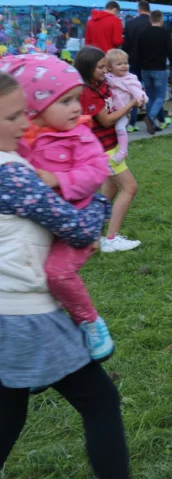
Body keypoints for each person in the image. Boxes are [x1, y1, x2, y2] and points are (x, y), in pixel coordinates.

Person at [0, 71, 130, 478]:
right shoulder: (12, 174)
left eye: (25, 112)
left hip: (10, 312)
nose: (26, 123)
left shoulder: (16, 164)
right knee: (101, 402)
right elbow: (76, 228)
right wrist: (97, 200)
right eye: (13, 117)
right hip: (28, 316)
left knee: (8, 414)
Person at [2, 54, 115, 362]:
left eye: (77, 99)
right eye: (65, 101)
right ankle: (36, 357)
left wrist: (59, 178)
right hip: (49, 224)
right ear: (35, 108)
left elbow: (97, 172)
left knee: (57, 274)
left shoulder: (80, 135)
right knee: (35, 281)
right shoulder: (21, 139)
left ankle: (90, 322)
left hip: (76, 219)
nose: (77, 108)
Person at [76, 47, 141, 253]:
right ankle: (111, 239)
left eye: (106, 66)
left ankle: (94, 235)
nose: (106, 71)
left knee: (110, 189)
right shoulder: (87, 92)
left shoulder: (100, 83)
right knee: (130, 188)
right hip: (103, 149)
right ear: (88, 69)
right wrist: (131, 103)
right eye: (101, 67)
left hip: (110, 144)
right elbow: (106, 120)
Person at [135, 10, 172, 135]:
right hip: (159, 68)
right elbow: (170, 51)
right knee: (160, 96)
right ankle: (150, 117)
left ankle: (152, 124)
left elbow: (138, 51)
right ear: (161, 19)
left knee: (150, 97)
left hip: (145, 69)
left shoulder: (143, 33)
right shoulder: (164, 33)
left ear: (150, 20)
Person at [104, 49, 147, 165]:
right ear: (109, 68)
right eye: (119, 64)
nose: (124, 66)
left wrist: (141, 100)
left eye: (125, 63)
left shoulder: (130, 79)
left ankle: (123, 151)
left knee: (120, 127)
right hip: (111, 110)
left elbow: (139, 93)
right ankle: (113, 150)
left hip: (123, 112)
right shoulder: (107, 77)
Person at [121, 0, 151, 131]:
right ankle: (154, 117)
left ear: (139, 10)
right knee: (151, 91)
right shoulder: (152, 24)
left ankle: (131, 122)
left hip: (132, 61)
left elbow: (125, 45)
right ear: (148, 10)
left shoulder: (130, 24)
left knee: (132, 91)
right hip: (149, 61)